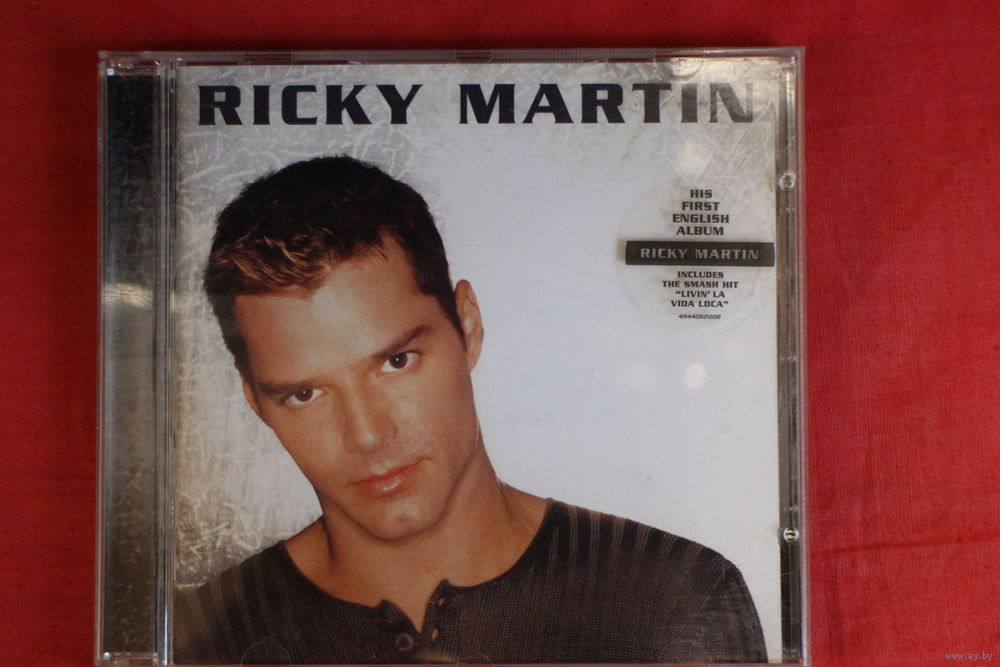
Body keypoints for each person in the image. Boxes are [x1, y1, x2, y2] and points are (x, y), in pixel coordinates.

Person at [174, 156, 766, 664]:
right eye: (305, 394)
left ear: (468, 325)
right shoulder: (197, 638)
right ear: (255, 401)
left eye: (397, 362)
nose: (368, 435)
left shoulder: (680, 597)